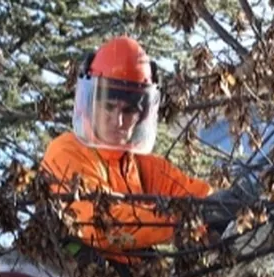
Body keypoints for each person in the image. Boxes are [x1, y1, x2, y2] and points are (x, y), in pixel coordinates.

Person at [41, 36, 235, 261]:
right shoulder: (66, 151)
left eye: (129, 110)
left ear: (141, 115)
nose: (119, 120)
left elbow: (194, 197)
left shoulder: (141, 167)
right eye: (109, 107)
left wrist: (221, 209)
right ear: (92, 104)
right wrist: (181, 222)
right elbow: (100, 224)